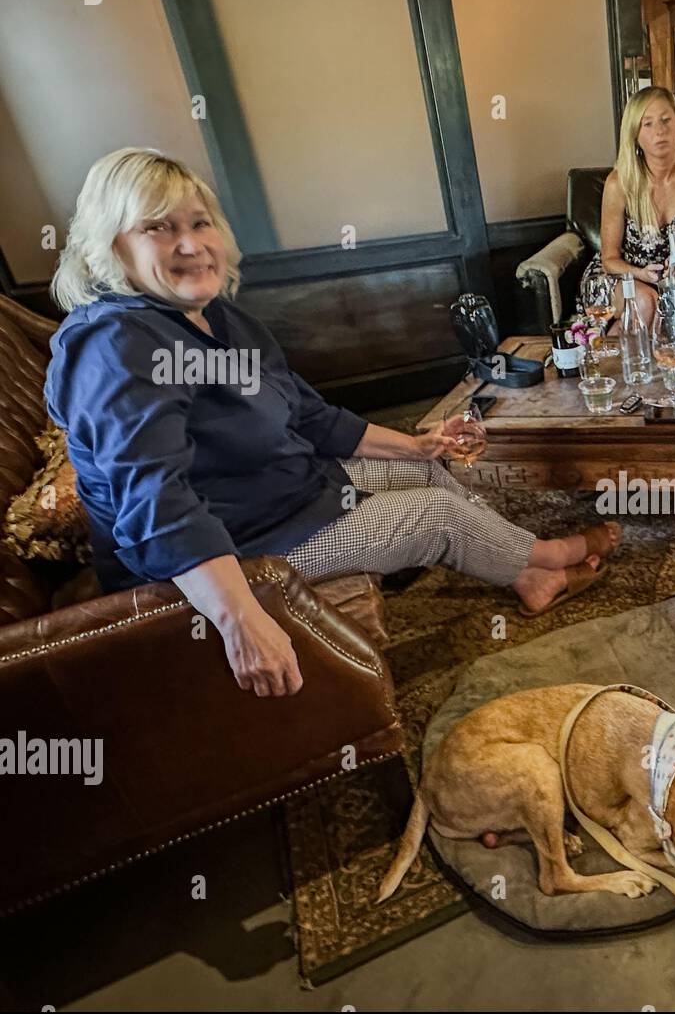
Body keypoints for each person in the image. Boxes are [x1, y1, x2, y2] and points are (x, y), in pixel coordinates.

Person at [46, 148, 621, 698]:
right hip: (237, 549)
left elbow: (309, 415)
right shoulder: (117, 345)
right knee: (437, 514)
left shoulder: (217, 318)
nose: (191, 245)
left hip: (286, 490)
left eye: (200, 223)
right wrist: (240, 618)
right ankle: (541, 559)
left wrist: (417, 446)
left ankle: (530, 570)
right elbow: (154, 504)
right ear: (110, 246)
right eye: (158, 228)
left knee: (429, 476)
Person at [594, 85, 675, 329]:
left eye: (666, 120)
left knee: (656, 305)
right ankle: (616, 362)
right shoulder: (618, 182)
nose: (660, 131)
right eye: (648, 124)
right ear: (634, 133)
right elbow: (609, 259)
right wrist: (641, 274)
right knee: (646, 302)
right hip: (623, 275)